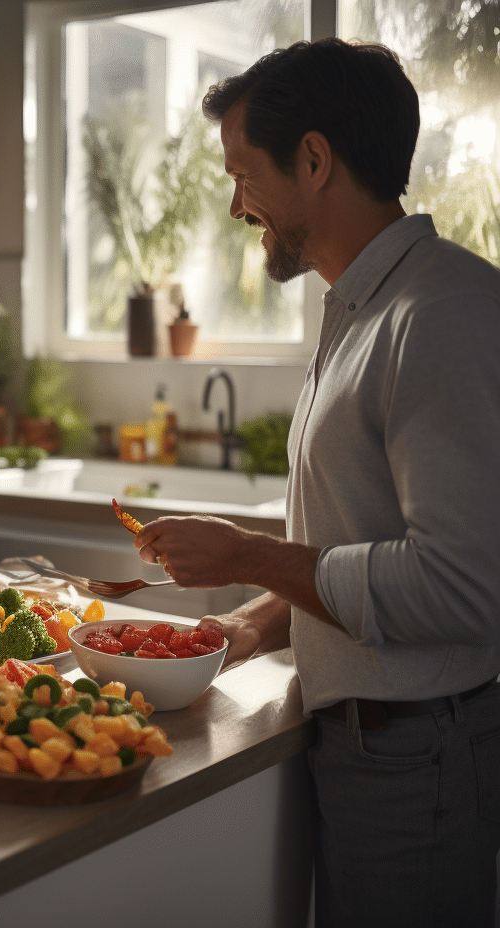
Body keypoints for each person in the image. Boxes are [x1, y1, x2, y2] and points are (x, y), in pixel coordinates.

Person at [130, 39, 500, 926]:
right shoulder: (364, 307)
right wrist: (247, 623)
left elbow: (459, 587)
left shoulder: (442, 314)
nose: (232, 204)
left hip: (419, 754)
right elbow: (357, 530)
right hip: (371, 743)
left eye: (243, 173)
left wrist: (250, 555)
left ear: (314, 158)